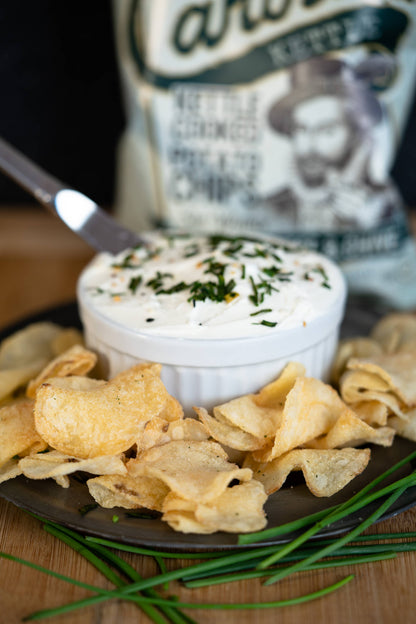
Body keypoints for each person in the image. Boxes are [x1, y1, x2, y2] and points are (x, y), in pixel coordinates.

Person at [266, 57, 397, 231]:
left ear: (355, 135)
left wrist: (371, 218)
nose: (310, 147)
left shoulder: (384, 205)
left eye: (327, 131)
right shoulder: (269, 206)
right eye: (302, 130)